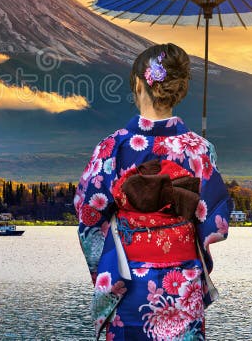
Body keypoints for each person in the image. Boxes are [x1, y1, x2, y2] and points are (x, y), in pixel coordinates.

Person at [75, 43, 231, 341]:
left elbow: (88, 213)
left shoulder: (113, 147)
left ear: (137, 84)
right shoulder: (200, 149)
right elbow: (215, 223)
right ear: (179, 90)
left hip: (130, 280)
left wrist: (109, 263)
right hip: (182, 283)